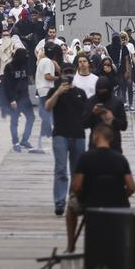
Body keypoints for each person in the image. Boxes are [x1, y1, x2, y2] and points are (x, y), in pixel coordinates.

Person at [65, 124, 135, 252]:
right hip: (117, 203)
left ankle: (71, 244)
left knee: (71, 209)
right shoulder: (120, 159)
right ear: (111, 139)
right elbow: (131, 187)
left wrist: (82, 196)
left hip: (90, 202)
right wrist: (120, 195)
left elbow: (76, 186)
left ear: (95, 137)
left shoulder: (85, 158)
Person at [45, 65, 89, 217]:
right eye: (66, 73)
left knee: (77, 171)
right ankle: (59, 202)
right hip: (60, 135)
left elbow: (87, 113)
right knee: (61, 169)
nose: (69, 76)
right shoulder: (55, 91)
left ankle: (74, 200)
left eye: (71, 73)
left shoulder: (80, 93)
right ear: (62, 75)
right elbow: (47, 107)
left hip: (78, 135)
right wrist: (58, 92)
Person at [1, 47, 37, 152]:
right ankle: (15, 142)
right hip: (14, 99)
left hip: (25, 98)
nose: (26, 57)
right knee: (14, 121)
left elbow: (27, 81)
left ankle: (24, 140)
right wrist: (11, 99)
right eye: (24, 55)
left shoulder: (25, 65)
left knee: (31, 117)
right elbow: (7, 85)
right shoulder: (9, 67)